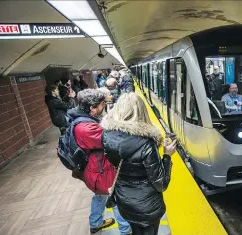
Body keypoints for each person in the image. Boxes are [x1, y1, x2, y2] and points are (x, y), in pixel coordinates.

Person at [101, 92, 176, 235]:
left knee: (135, 230)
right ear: (141, 111)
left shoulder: (106, 135)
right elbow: (161, 183)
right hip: (147, 205)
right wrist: (167, 156)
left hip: (124, 199)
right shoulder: (146, 142)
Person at [65, 89, 132, 235]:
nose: (104, 105)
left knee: (100, 195)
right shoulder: (86, 128)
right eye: (102, 104)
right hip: (100, 171)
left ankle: (95, 224)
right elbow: (113, 139)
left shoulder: (81, 117)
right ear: (92, 108)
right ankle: (126, 231)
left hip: (97, 169)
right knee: (116, 198)